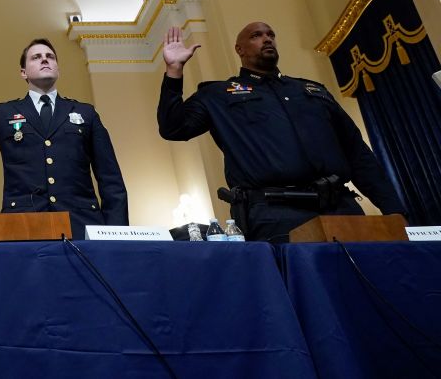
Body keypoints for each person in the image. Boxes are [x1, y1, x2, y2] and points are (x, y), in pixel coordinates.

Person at [158, 23, 405, 242]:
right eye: (256, 35)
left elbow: (357, 152)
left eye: (271, 34)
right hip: (275, 214)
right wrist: (174, 72)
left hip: (340, 205)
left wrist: (395, 212)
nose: (267, 39)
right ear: (239, 49)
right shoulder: (219, 94)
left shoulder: (312, 90)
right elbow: (173, 127)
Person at [0, 38, 129, 239]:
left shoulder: (85, 113)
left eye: (50, 57)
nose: (45, 60)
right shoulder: (4, 113)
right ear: (23, 72)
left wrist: (116, 235)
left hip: (81, 224)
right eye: (36, 57)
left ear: (58, 69)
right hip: (23, 227)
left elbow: (110, 179)